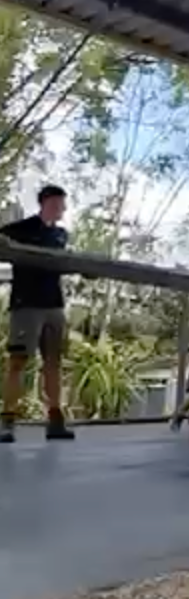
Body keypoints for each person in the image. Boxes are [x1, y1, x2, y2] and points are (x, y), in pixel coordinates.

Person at [0, 185, 75, 442]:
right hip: (26, 305)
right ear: (46, 203)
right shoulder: (20, 229)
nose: (63, 209)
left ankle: (55, 421)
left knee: (53, 363)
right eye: (59, 204)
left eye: (63, 205)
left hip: (54, 305)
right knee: (18, 362)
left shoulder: (61, 235)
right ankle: (7, 422)